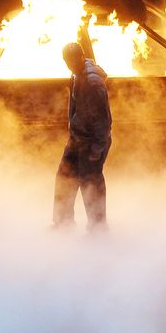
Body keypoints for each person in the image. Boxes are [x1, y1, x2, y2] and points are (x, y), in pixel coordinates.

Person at [52, 42, 112, 230]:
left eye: (72, 60)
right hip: (77, 138)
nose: (69, 65)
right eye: (66, 61)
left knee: (91, 184)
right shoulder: (76, 75)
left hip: (91, 141)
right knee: (64, 177)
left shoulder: (93, 83)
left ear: (81, 56)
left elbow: (103, 120)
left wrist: (97, 148)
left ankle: (98, 228)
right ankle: (63, 223)